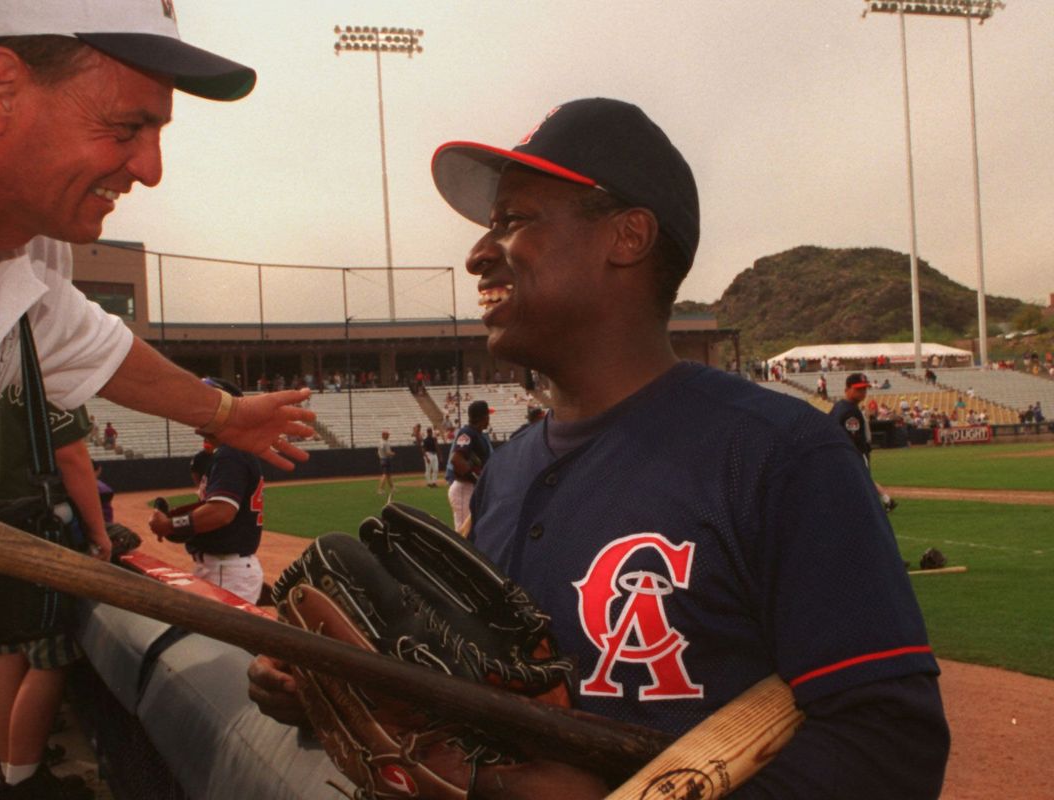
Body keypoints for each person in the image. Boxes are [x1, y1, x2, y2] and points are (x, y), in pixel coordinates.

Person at [252, 98, 949, 799]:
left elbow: (889, 745)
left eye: (514, 221)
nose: (476, 254)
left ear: (628, 236)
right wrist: (328, 687)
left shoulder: (776, 455)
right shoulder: (509, 471)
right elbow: (481, 695)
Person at [0, 4, 316, 796]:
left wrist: (228, 415)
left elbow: (95, 345)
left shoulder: (24, 250)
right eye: (126, 127)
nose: (150, 169)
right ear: (1, 90)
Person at [0, 390, 111, 799]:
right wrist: (98, 533)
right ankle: (24, 783)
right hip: (33, 529)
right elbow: (71, 457)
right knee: (48, 660)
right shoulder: (45, 370)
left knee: (6, 656)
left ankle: (11, 772)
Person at [148, 380, 267, 606]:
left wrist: (170, 525)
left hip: (227, 571)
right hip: (224, 568)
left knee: (219, 640)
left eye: (208, 404)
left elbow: (220, 513)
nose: (198, 410)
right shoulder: (229, 452)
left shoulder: (231, 453)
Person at [829, 373, 897, 512]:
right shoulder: (849, 411)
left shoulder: (839, 407)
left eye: (865, 389)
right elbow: (853, 440)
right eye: (858, 389)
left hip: (844, 455)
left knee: (857, 485)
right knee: (862, 484)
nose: (862, 392)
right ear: (847, 390)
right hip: (853, 454)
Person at [445, 400, 494, 534]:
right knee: (463, 535)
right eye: (487, 416)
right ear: (484, 417)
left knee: (475, 531)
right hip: (464, 489)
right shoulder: (467, 432)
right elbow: (456, 459)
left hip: (471, 489)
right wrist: (475, 478)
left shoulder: (479, 435)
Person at [376, 430, 396, 496]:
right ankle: (380, 489)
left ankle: (392, 488)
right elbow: (388, 453)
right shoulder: (385, 443)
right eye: (387, 434)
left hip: (382, 459)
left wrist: (381, 458)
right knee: (385, 475)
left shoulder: (380, 442)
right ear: (383, 435)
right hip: (386, 459)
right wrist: (393, 453)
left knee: (389, 475)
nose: (388, 435)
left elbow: (378, 452)